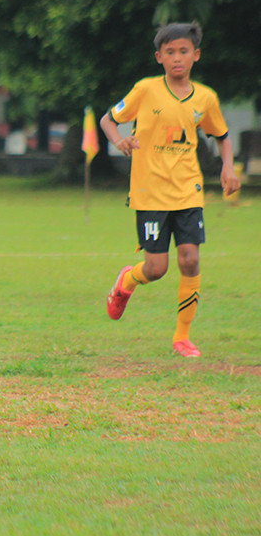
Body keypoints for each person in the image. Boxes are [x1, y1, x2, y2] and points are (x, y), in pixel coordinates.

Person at [101, 21, 240, 358]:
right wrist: (120, 141)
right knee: (156, 269)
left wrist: (228, 167)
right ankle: (127, 281)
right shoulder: (145, 90)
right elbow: (108, 119)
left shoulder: (205, 98)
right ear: (159, 57)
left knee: (190, 260)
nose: (177, 58)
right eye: (170, 52)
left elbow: (222, 136)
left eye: (183, 51)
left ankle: (182, 337)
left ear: (196, 55)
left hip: (188, 191)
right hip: (150, 193)